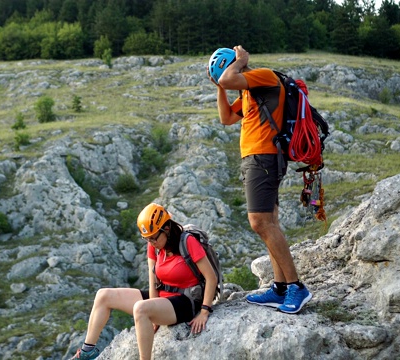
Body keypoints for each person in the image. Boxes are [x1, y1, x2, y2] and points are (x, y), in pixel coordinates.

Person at [207, 46, 312, 314]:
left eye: (227, 74)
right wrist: (219, 88)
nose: (226, 81)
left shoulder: (263, 77)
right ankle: (279, 288)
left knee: (260, 222)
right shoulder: (248, 92)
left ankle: (296, 286)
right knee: (270, 221)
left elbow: (230, 78)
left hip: (263, 158)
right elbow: (226, 118)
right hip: (256, 160)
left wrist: (241, 61)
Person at [70, 202, 218, 360]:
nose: (151, 242)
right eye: (147, 239)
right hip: (163, 297)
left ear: (166, 229)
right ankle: (87, 353)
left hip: (187, 300)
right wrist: (154, 309)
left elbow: (211, 277)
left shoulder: (188, 242)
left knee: (140, 309)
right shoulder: (153, 245)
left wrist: (204, 311)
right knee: (103, 295)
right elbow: (153, 279)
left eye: (153, 238)